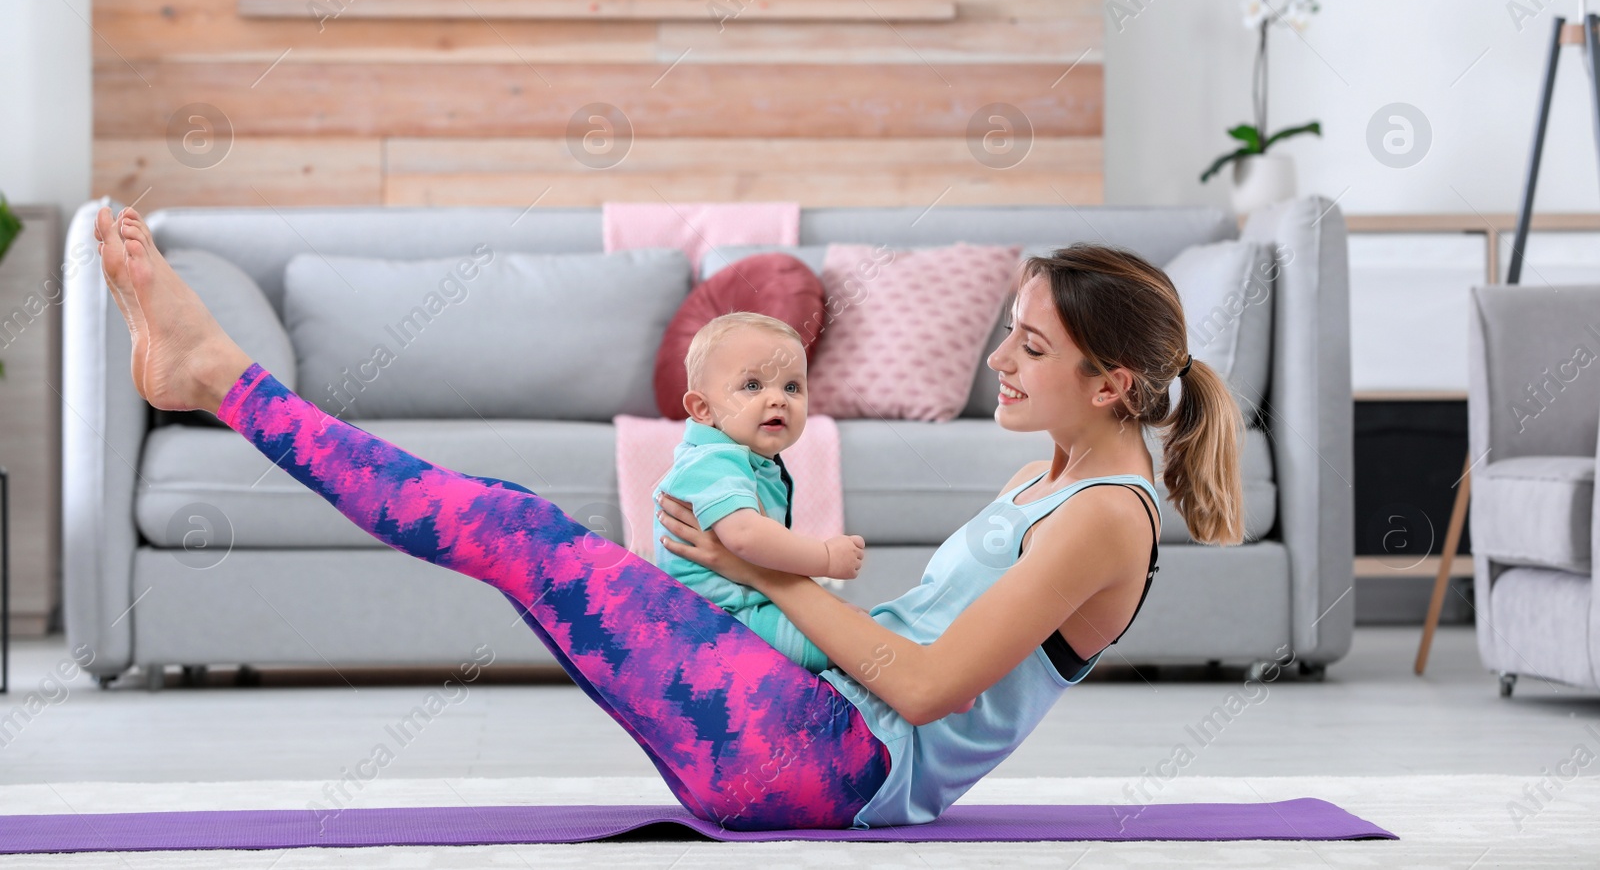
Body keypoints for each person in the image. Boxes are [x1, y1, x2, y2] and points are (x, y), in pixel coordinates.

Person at [93, 203, 1243, 830]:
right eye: (1010, 329)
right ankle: (217, 380)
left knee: (519, 531)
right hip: (806, 730)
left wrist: (773, 577)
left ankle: (221, 380)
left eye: (1030, 347)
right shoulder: (1047, 477)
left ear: (1108, 385)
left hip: (833, 763)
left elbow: (930, 686)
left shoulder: (1108, 517)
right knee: (514, 533)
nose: (999, 359)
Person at [652, 311, 865, 674]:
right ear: (702, 409)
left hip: (747, 603)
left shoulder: (745, 460)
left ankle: (926, 678)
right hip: (718, 622)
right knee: (854, 645)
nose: (778, 399)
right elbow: (746, 537)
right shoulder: (712, 461)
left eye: (792, 387)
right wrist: (825, 557)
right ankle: (913, 693)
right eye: (752, 385)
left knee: (858, 623)